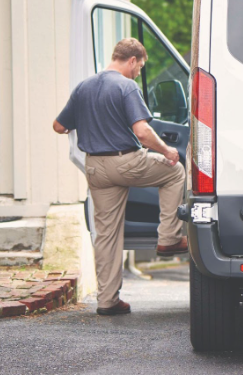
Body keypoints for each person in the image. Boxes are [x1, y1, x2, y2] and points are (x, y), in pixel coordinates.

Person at [53, 38, 187, 316]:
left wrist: (90, 123)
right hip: (125, 162)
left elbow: (59, 126)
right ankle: (169, 237)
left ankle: (107, 301)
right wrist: (167, 150)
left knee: (106, 235)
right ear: (132, 60)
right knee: (174, 171)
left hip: (95, 168)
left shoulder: (84, 87)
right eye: (140, 66)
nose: (138, 71)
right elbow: (142, 132)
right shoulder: (127, 86)